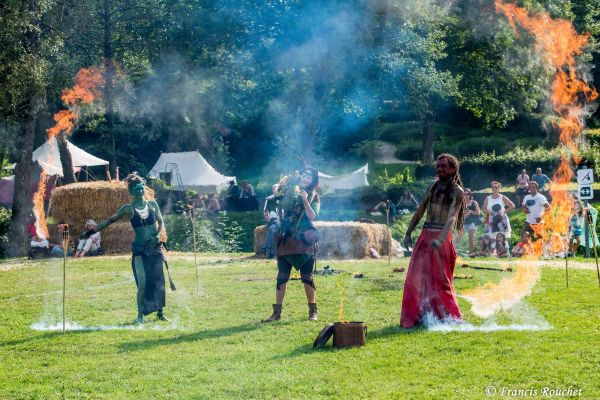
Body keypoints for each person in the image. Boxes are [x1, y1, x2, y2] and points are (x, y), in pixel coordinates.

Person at [81, 173, 170, 324]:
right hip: (139, 250)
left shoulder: (153, 204)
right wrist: (90, 231)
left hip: (154, 247)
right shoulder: (128, 209)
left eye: (141, 188)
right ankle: (140, 317)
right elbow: (109, 221)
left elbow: (161, 223)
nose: (140, 191)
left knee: (157, 281)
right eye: (136, 189)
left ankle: (160, 313)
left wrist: (158, 236)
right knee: (142, 283)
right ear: (131, 192)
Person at [400, 154, 465, 328]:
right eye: (438, 166)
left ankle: (451, 318)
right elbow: (420, 210)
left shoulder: (457, 191)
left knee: (441, 279)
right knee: (416, 278)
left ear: (452, 169)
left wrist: (441, 240)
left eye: (443, 166)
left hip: (441, 237)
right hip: (425, 234)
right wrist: (408, 233)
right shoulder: (432, 186)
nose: (439, 169)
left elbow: (451, 218)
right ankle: (419, 316)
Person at [263, 166, 320, 322]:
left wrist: (304, 199)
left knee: (307, 277)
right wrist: (272, 217)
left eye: (309, 177)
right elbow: (277, 204)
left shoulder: (314, 196)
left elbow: (312, 216)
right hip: (286, 238)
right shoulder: (288, 191)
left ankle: (313, 311)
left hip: (304, 240)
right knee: (281, 277)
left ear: (312, 180)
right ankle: (276, 313)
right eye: (304, 175)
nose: (305, 178)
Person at [453, 188, 480, 257]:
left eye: (467, 194)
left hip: (472, 223)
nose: (466, 195)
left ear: (470, 195)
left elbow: (478, 213)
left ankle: (470, 254)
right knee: (457, 238)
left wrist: (470, 212)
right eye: (464, 194)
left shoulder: (474, 202)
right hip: (463, 223)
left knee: (470, 239)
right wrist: (462, 214)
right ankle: (454, 253)